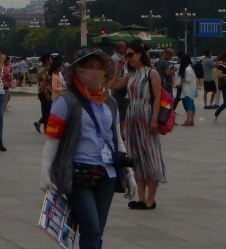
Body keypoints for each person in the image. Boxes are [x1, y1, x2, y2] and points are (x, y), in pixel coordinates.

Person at [38, 47, 122, 249]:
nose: (95, 72)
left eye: (99, 68)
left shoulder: (110, 102)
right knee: (91, 226)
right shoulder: (66, 102)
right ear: (78, 71)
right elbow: (52, 139)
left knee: (97, 229)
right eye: (90, 67)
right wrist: (44, 172)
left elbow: (117, 138)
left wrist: (126, 170)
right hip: (78, 173)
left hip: (107, 173)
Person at [122, 44, 166, 210]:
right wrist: (119, 65)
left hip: (146, 114)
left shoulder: (151, 73)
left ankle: (151, 198)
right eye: (127, 56)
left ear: (140, 54)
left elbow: (157, 98)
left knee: (149, 154)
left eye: (131, 54)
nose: (129, 58)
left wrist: (154, 119)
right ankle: (141, 197)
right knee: (136, 155)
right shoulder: (131, 74)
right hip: (132, 115)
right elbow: (112, 85)